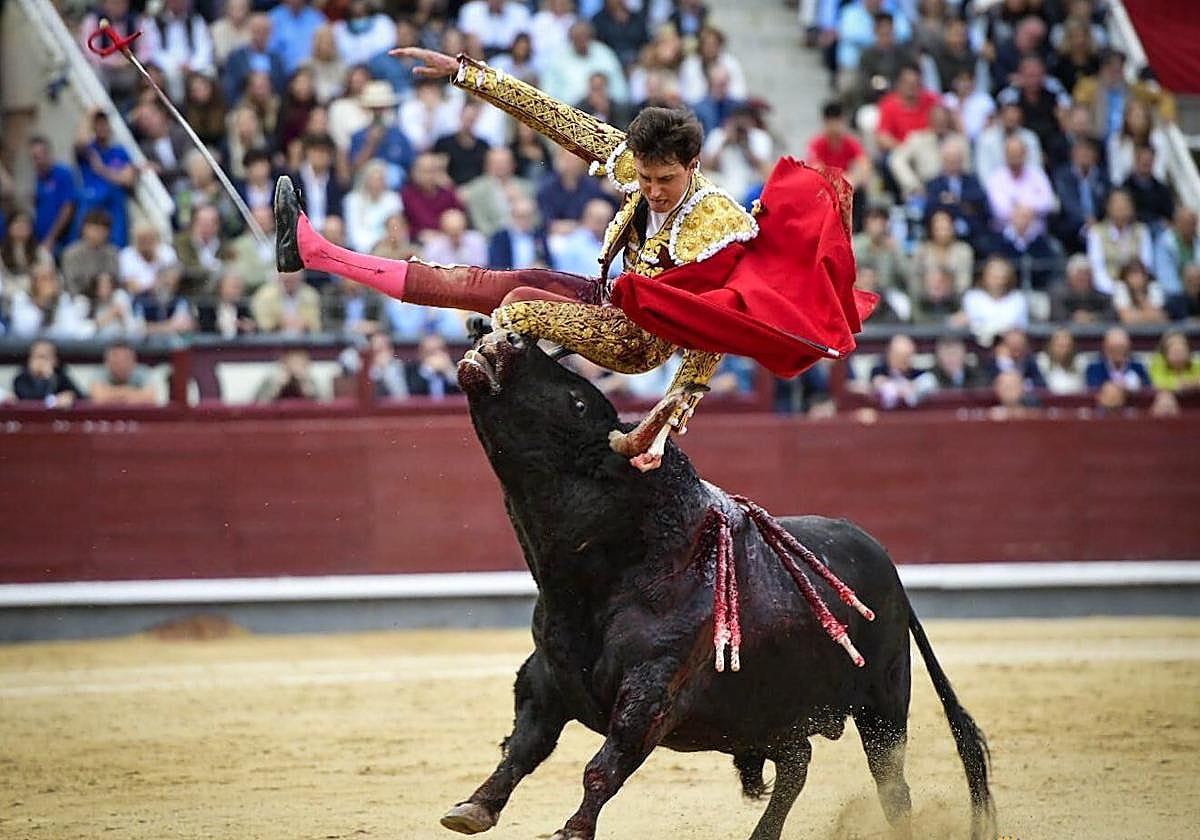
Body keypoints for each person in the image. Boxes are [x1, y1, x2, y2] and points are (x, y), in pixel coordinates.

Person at [276, 46, 868, 467]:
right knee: (478, 283)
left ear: (693, 166)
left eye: (664, 179)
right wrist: (465, 74)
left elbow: (718, 324)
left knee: (519, 310)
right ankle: (318, 252)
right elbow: (558, 118)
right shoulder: (638, 170)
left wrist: (664, 420)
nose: (652, 189)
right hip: (606, 297)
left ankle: (515, 413)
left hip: (639, 340)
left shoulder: (716, 224)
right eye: (643, 175)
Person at [74, 111, 135, 248]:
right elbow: (80, 141)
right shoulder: (89, 150)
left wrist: (101, 169)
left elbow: (128, 179)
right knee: (88, 247)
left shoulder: (120, 151)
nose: (102, 128)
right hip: (92, 207)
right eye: (98, 124)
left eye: (105, 124)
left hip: (114, 207)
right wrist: (90, 115)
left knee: (116, 248)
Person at [1086, 189, 1152, 295]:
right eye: (1116, 204)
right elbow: (1097, 268)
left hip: (1137, 288)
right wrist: (1114, 290)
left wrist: (1134, 286)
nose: (1121, 208)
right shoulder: (1096, 232)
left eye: (1125, 204)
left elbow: (1146, 264)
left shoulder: (1141, 231)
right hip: (1107, 290)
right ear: (1108, 207)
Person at [28, 136, 77, 256]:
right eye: (34, 158)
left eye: (40, 156)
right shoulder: (38, 178)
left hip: (60, 241)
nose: (38, 161)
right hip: (42, 240)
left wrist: (51, 238)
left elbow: (68, 208)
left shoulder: (62, 173)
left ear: (49, 154)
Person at [12, 338, 85, 407]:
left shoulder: (61, 377)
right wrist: (47, 380)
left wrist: (70, 397)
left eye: (46, 357)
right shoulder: (21, 379)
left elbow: (81, 398)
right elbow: (31, 401)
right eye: (38, 356)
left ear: (55, 360)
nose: (41, 362)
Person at [89, 341, 159, 405]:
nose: (121, 365)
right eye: (116, 362)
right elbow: (98, 398)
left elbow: (150, 399)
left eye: (125, 361)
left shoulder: (143, 372)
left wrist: (111, 394)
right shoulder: (99, 372)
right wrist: (131, 393)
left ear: (134, 362)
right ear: (107, 363)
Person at [1084, 326, 1150, 391]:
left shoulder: (1138, 368)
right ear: (1105, 348)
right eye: (1113, 348)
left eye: (1121, 348)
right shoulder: (1094, 369)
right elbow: (1093, 389)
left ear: (1128, 348)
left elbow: (1147, 389)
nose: (1118, 352)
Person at [405, 334, 463, 398]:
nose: (436, 356)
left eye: (440, 350)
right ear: (421, 354)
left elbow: (465, 394)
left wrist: (449, 372)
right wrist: (428, 370)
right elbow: (412, 394)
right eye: (430, 352)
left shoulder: (458, 368)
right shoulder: (411, 370)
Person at [255, 347, 319, 401]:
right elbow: (258, 404)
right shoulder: (271, 380)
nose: (296, 367)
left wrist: (306, 386)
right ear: (284, 363)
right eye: (293, 362)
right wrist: (277, 386)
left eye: (300, 363)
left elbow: (320, 404)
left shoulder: (309, 381)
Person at [1040, 328, 1085, 394]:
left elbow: (1080, 388)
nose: (1065, 350)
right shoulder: (1042, 361)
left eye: (1067, 346)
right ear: (1051, 346)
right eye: (1060, 346)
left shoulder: (1080, 362)